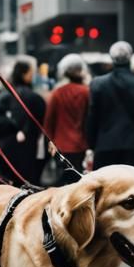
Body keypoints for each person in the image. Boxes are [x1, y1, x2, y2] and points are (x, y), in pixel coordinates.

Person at [86, 41, 134, 170]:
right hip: (133, 146)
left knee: (106, 187)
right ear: (130, 57)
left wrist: (91, 144)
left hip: (104, 145)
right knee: (131, 187)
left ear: (111, 58)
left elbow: (92, 116)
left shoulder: (97, 84)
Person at [0, 60, 46, 185]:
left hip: (5, 149)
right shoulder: (35, 98)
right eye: (31, 73)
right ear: (24, 74)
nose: (32, 76)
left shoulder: (3, 95)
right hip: (29, 151)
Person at [44, 53, 89, 184]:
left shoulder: (57, 93)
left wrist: (50, 141)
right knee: (79, 178)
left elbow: (48, 121)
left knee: (64, 180)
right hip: (81, 145)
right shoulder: (86, 92)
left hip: (61, 145)